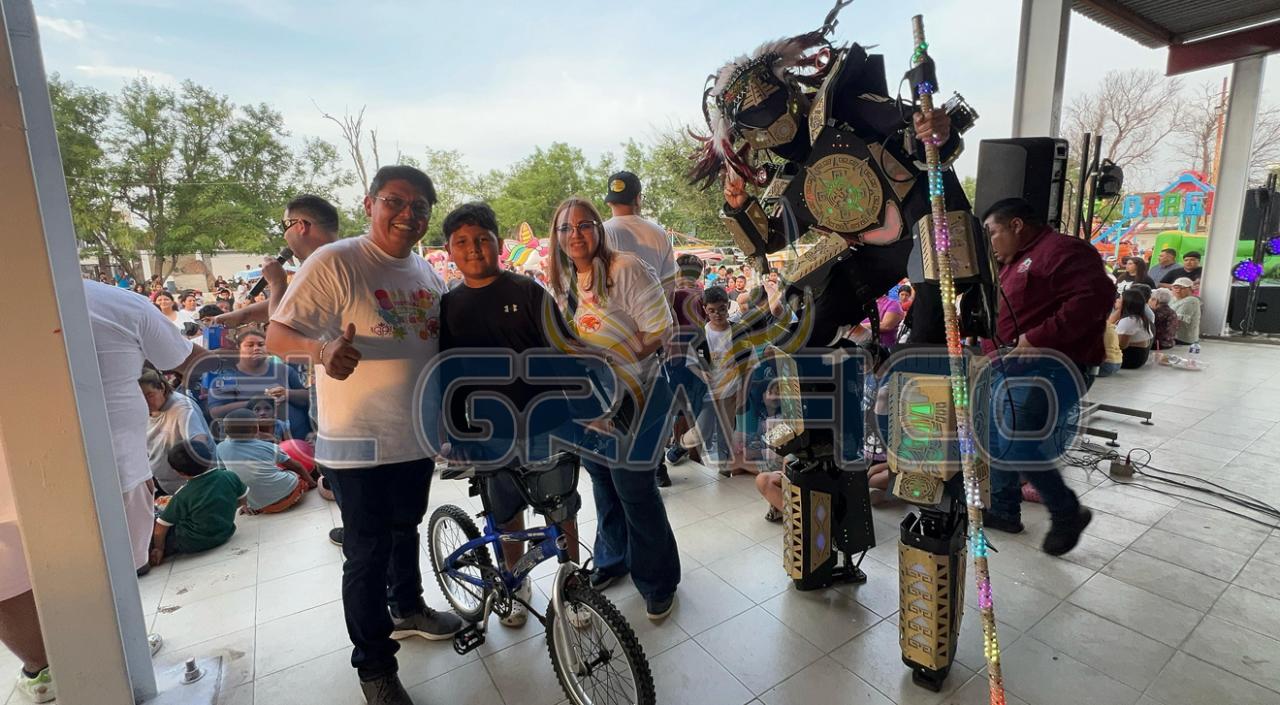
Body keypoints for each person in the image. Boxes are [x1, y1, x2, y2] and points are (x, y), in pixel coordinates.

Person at [266, 165, 461, 705]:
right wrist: (322, 350)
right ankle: (375, 668)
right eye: (395, 201)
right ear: (370, 203)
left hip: (413, 437)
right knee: (367, 554)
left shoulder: (426, 273)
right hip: (355, 442)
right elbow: (278, 334)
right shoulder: (337, 261)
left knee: (405, 531)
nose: (407, 214)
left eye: (419, 207)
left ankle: (408, 608)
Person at [438, 202, 583, 629]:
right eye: (462, 242)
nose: (473, 248)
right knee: (505, 515)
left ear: (498, 243)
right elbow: (449, 374)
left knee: (561, 511)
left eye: (482, 239)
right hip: (491, 430)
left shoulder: (528, 291)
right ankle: (516, 583)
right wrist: (456, 431)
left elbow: (565, 352)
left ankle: (574, 589)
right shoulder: (449, 305)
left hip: (548, 423)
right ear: (449, 250)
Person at [547, 196, 681, 621]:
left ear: (599, 229)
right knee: (603, 482)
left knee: (634, 486)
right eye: (566, 228)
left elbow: (660, 330)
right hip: (594, 399)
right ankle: (613, 558)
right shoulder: (564, 279)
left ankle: (659, 580)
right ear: (557, 236)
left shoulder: (625, 268)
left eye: (584, 225)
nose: (575, 234)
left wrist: (609, 360)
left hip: (640, 394)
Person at [980, 199, 1113, 556]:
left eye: (992, 233)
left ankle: (1066, 512)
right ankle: (1002, 510)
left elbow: (1095, 298)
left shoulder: (1061, 250)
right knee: (996, 439)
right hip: (1009, 368)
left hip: (1053, 366)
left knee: (1018, 438)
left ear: (1016, 225)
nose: (990, 242)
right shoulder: (1009, 265)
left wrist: (1037, 337)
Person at [215, 194, 341, 327]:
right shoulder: (341, 259)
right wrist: (243, 314)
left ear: (301, 226)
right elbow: (293, 304)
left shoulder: (325, 268)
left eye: (285, 227)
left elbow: (281, 327)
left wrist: (277, 283)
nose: (285, 236)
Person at [149, 439, 249, 566]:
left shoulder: (183, 495)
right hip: (225, 532)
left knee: (153, 523)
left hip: (192, 542)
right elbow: (242, 499)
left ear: (179, 472)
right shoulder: (229, 476)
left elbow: (161, 527)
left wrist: (159, 548)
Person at [203, 328, 311, 440]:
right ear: (238, 348)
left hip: (298, 440)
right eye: (250, 345)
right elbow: (216, 412)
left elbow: (309, 397)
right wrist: (254, 402)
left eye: (261, 344)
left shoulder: (284, 370)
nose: (256, 348)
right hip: (251, 444)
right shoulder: (227, 379)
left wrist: (287, 393)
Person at [216, 409, 314, 514]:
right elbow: (296, 466)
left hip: (263, 507)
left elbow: (227, 479)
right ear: (256, 429)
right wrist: (311, 483)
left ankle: (249, 505)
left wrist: (244, 503)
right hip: (291, 494)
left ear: (225, 431)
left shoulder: (220, 448)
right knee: (289, 470)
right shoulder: (269, 447)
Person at [602, 171, 677, 298]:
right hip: (653, 308)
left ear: (609, 202)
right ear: (638, 198)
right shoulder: (659, 233)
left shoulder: (599, 233)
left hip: (611, 310)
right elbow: (669, 286)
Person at [664, 254, 708, 470]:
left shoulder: (674, 294)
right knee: (693, 407)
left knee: (681, 407)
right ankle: (688, 451)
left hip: (676, 357)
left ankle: (680, 447)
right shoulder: (698, 294)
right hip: (693, 357)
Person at [140, 368, 212, 495]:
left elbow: (198, 443)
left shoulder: (183, 408)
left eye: (150, 395)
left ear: (162, 387)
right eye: (140, 397)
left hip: (195, 487)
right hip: (164, 486)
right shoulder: (140, 411)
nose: (145, 402)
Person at [1110, 289, 1153, 369]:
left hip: (1131, 358)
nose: (1117, 300)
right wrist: (1119, 311)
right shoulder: (1138, 318)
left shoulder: (1129, 320)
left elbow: (1121, 345)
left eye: (1120, 298)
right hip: (1139, 357)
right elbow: (1108, 324)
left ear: (1126, 303)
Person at [1169, 277, 1202, 345]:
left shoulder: (1192, 300)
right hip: (1172, 337)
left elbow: (1177, 321)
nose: (1178, 290)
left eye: (1182, 288)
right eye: (1175, 287)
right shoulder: (1172, 299)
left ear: (1190, 289)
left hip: (1183, 339)